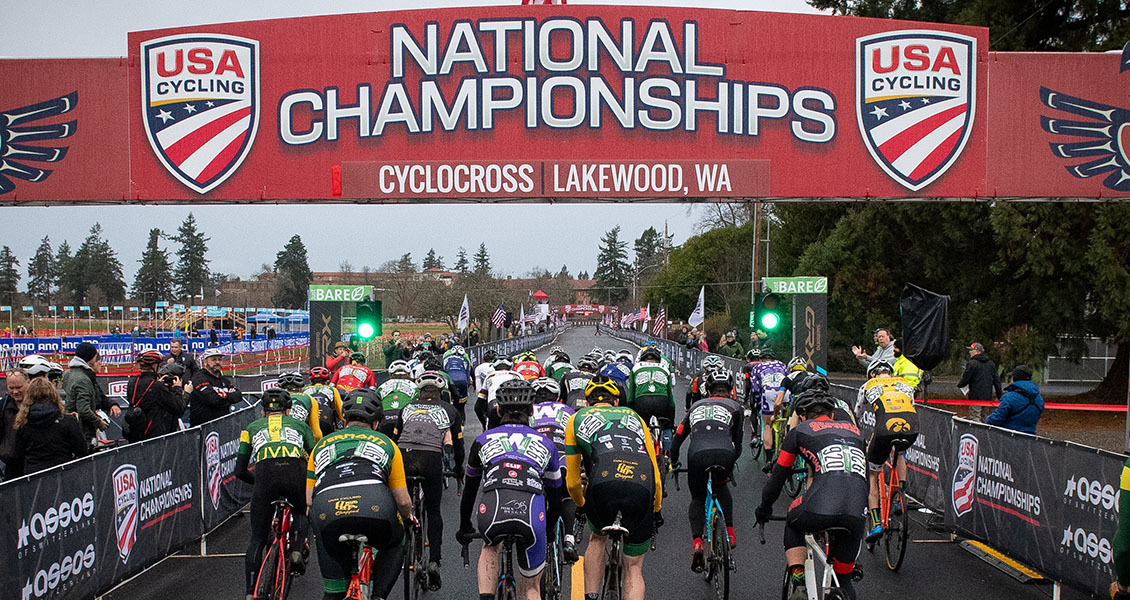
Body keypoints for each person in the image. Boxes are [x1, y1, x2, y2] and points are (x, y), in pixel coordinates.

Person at [755, 389, 868, 600]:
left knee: (793, 517)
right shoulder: (856, 433)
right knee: (843, 580)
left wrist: (764, 509)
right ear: (832, 415)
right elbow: (865, 481)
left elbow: (778, 477)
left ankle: (798, 581)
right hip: (856, 511)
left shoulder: (800, 431)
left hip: (819, 506)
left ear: (803, 416)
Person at [458, 379, 563, 600]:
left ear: (498, 409)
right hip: (532, 514)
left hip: (493, 508)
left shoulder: (482, 440)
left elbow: (469, 491)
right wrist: (550, 529)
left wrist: (464, 525)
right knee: (532, 587)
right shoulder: (547, 444)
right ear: (532, 410)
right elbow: (555, 499)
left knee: (490, 546)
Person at [565, 376, 662, 600]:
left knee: (597, 539)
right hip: (641, 484)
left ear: (587, 403)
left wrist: (581, 505)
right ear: (617, 401)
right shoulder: (635, 417)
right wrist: (656, 509)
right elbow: (656, 475)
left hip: (603, 486)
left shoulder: (576, 419)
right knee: (634, 568)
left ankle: (590, 596)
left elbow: (572, 481)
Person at [308, 390, 411, 600]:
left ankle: (334, 591)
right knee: (395, 542)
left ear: (344, 420)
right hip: (373, 505)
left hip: (327, 509)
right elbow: (403, 501)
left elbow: (309, 500)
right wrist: (407, 518)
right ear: (376, 424)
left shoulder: (320, 446)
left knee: (334, 588)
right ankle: (379, 596)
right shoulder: (387, 444)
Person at [234, 389, 316, 600]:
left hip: (265, 476)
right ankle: (297, 548)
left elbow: (240, 471)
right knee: (301, 508)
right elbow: (314, 458)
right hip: (295, 471)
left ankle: (249, 592)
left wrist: (259, 482)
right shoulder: (300, 425)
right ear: (288, 411)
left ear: (263, 412)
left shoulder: (250, 428)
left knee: (257, 540)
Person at [394, 370, 463, 589]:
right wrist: (458, 468)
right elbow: (459, 447)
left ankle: (399, 543)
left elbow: (395, 439)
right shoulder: (450, 409)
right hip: (431, 457)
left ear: (420, 391)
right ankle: (434, 560)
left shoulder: (407, 408)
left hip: (404, 454)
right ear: (441, 391)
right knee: (433, 510)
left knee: (399, 503)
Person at [669, 368, 743, 573]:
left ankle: (697, 544)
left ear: (707, 391)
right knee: (722, 486)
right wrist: (730, 465)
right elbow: (738, 444)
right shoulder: (736, 407)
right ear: (730, 390)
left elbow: (677, 440)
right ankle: (730, 532)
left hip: (697, 455)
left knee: (698, 498)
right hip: (725, 454)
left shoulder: (695, 407)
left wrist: (674, 464)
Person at [855, 359, 919, 542]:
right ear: (890, 373)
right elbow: (911, 405)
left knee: (873, 475)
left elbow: (857, 412)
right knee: (899, 454)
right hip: (911, 427)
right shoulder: (905, 383)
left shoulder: (868, 384)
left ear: (872, 374)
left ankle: (875, 524)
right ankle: (901, 498)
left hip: (884, 429)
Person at [530, 377, 579, 562]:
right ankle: (569, 539)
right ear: (558, 397)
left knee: (536, 493)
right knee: (566, 495)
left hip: (537, 456)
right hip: (561, 456)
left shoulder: (529, 409)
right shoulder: (567, 410)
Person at [6, 377, 89, 478]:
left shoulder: (22, 422)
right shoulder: (67, 420)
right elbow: (81, 450)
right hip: (62, 473)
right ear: (53, 394)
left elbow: (17, 453)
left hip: (33, 477)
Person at [124, 351, 189, 442]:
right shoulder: (156, 387)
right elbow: (178, 408)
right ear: (155, 366)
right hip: (153, 436)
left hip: (135, 434)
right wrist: (178, 388)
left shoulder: (132, 382)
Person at [62, 342, 120, 443]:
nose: (100, 363)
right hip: (82, 430)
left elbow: (98, 396)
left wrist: (112, 404)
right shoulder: (83, 379)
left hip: (70, 426)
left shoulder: (69, 374)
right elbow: (84, 409)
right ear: (91, 359)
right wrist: (99, 422)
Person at [745, 347, 787, 470]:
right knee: (785, 419)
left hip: (768, 392)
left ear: (761, 359)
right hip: (783, 392)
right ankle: (785, 440)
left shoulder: (757, 367)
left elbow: (756, 389)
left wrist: (756, 404)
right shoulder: (782, 364)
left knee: (767, 425)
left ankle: (768, 459)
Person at [626, 345, 676, 448]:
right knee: (667, 426)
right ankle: (667, 454)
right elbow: (670, 396)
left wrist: (630, 412)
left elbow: (631, 396)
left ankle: (640, 449)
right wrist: (671, 420)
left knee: (639, 428)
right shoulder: (665, 368)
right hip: (662, 401)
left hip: (642, 401)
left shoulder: (635, 368)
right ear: (658, 360)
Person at [189, 348, 244, 427]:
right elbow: (213, 399)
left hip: (223, 425)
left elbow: (238, 395)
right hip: (203, 427)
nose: (217, 362)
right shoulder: (199, 378)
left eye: (219, 359)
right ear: (205, 362)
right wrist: (228, 396)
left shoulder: (224, 380)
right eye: (213, 360)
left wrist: (224, 396)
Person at [986, 365, 1044, 434]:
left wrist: (987, 420)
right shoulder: (1039, 398)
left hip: (1009, 436)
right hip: (1030, 437)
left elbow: (996, 419)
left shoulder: (1009, 397)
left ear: (1014, 378)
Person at [956, 342, 1003, 422]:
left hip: (975, 397)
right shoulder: (991, 364)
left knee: (975, 417)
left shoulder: (972, 363)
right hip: (987, 397)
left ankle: (976, 434)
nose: (969, 352)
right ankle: (984, 433)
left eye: (971, 350)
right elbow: (997, 381)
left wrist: (960, 384)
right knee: (984, 417)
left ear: (977, 351)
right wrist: (1000, 396)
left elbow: (966, 378)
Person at [278, 371, 323, 441]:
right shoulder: (310, 399)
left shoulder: (274, 399)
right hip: (296, 438)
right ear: (301, 388)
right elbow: (317, 434)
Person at [0, 368, 28, 478]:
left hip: (31, 461)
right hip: (10, 462)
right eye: (11, 388)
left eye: (19, 387)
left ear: (28, 383)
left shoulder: (36, 404)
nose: (15, 392)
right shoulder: (3, 405)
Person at [303, 366, 343, 436]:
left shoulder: (304, 390)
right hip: (326, 422)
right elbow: (340, 411)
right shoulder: (332, 389)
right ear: (326, 379)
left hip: (309, 423)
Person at [441, 344, 473, 420]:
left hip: (450, 381)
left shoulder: (446, 358)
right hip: (462, 381)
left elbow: (443, 372)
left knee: (448, 406)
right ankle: (461, 427)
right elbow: (468, 375)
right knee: (461, 408)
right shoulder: (465, 360)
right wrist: (467, 386)